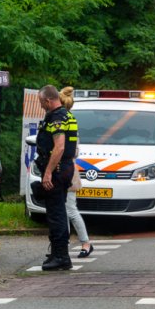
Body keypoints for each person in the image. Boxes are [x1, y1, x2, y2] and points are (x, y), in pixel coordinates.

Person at [35, 84, 78, 271]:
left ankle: (61, 256)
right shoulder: (66, 115)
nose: (41, 106)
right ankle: (58, 253)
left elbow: (59, 147)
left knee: (56, 213)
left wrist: (48, 172)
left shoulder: (57, 117)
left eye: (41, 102)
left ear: (47, 100)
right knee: (57, 210)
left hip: (58, 169)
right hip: (65, 167)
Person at [59, 86, 94, 258]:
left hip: (68, 170)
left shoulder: (67, 123)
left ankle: (85, 242)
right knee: (63, 210)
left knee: (70, 209)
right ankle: (63, 244)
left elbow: (71, 150)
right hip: (64, 169)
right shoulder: (66, 121)